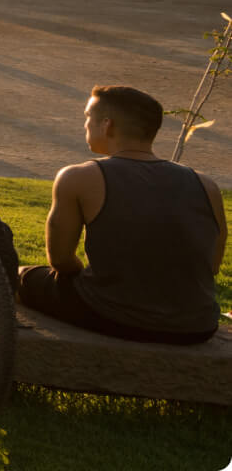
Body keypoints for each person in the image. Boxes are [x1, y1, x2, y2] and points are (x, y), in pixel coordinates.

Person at [16, 87, 225, 345]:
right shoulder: (206, 185)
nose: (85, 125)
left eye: (88, 117)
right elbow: (212, 266)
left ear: (107, 125)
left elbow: (60, 260)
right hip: (197, 325)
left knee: (18, 277)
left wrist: (85, 275)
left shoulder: (78, 177)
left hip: (113, 316)